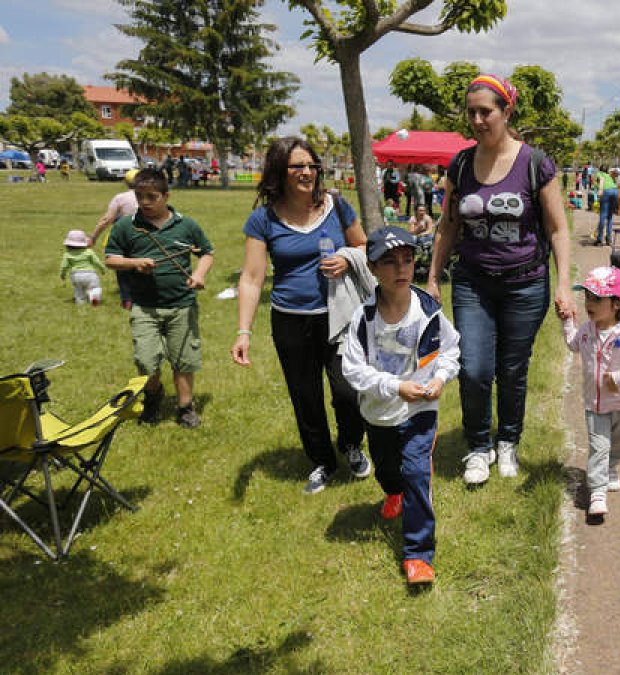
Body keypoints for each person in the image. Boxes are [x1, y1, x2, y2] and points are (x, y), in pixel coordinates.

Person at [426, 74, 574, 485]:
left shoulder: (535, 163)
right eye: (471, 112)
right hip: (474, 282)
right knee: (473, 368)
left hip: (526, 283)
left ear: (506, 111)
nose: (476, 119)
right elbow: (448, 225)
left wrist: (563, 285)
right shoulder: (460, 163)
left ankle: (507, 441)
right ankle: (478, 446)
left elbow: (558, 229)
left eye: (485, 111)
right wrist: (433, 276)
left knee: (512, 369)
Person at [231, 136, 371, 495]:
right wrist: (243, 332)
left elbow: (364, 245)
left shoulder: (337, 206)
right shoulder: (263, 219)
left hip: (339, 315)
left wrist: (347, 258)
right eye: (298, 166)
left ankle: (352, 444)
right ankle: (322, 461)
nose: (307, 172)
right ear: (281, 171)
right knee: (304, 395)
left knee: (349, 389)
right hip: (291, 320)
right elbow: (251, 277)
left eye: (311, 165)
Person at [341, 226, 461, 585]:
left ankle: (418, 556)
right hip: (379, 413)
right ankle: (393, 491)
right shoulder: (363, 318)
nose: (401, 269)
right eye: (390, 262)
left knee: (416, 474)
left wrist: (439, 378)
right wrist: (394, 386)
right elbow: (353, 369)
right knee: (389, 471)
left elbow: (450, 350)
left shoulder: (428, 310)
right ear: (373, 268)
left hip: (420, 410)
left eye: (407, 260)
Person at [104, 168, 214, 428]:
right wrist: (134, 263)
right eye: (139, 196)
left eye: (152, 196)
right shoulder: (126, 226)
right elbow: (110, 259)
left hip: (182, 305)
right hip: (145, 307)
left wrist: (199, 274)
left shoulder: (186, 225)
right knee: (145, 359)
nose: (144, 202)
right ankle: (153, 395)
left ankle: (186, 407)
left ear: (166, 195)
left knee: (183, 359)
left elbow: (206, 253)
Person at [562, 266, 620, 519]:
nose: (589, 303)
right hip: (595, 404)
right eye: (587, 296)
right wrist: (568, 320)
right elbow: (572, 344)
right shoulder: (587, 330)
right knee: (598, 446)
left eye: (596, 299)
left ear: (616, 304)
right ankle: (597, 492)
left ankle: (612, 467)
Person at [91, 168, 141, 310]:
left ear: (126, 182)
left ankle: (127, 300)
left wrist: (94, 236)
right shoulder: (150, 196)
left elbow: (107, 219)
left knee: (122, 267)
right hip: (144, 236)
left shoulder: (120, 198)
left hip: (122, 236)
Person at [60, 229, 105, 305]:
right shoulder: (89, 252)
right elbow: (97, 262)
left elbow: (64, 266)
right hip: (90, 274)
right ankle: (94, 297)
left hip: (75, 275)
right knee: (94, 287)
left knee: (79, 290)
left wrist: (62, 275)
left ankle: (80, 303)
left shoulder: (67, 254)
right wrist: (102, 269)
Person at [593, 165, 618, 246]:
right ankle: (608, 239)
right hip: (615, 191)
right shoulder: (609, 175)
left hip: (606, 192)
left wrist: (600, 190)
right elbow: (615, 182)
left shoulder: (600, 174)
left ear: (600, 169)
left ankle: (600, 239)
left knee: (603, 216)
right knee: (610, 216)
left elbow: (601, 180)